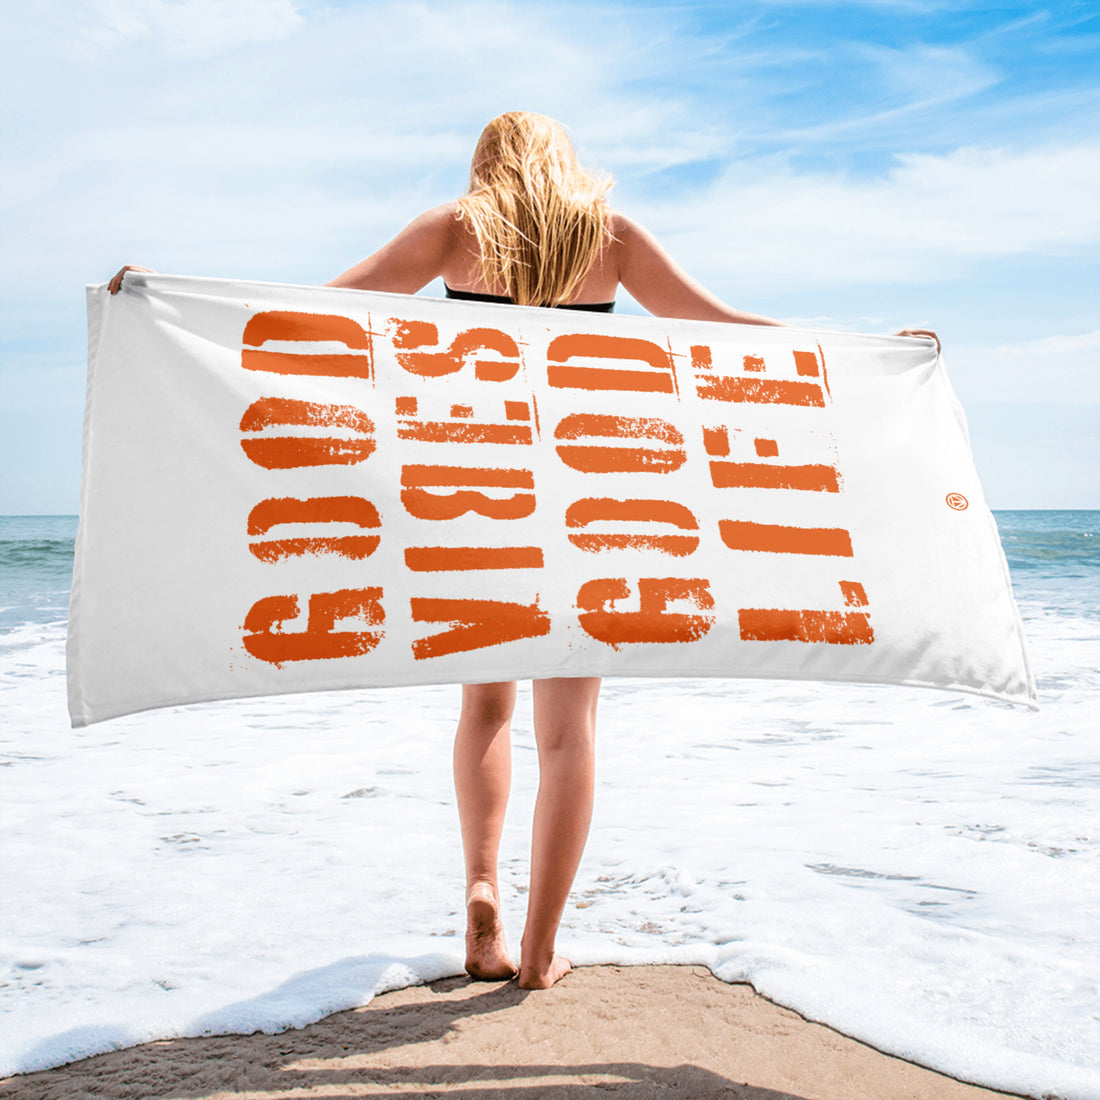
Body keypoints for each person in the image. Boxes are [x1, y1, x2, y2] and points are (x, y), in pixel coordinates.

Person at [109, 110, 937, 990]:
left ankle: (480, 891)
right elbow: (721, 326)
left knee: (487, 711)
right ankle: (540, 953)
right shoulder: (609, 236)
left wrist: (173, 302)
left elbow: (322, 313)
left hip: (472, 495)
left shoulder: (455, 230)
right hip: (586, 497)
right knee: (570, 736)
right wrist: (869, 355)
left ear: (486, 164)